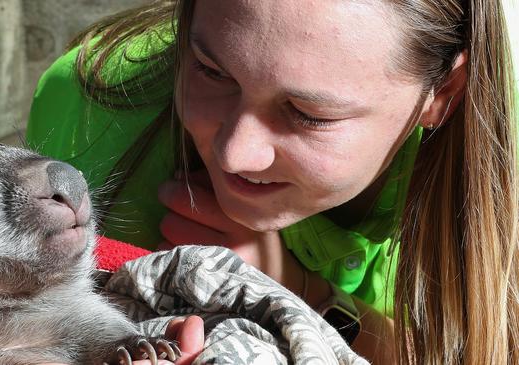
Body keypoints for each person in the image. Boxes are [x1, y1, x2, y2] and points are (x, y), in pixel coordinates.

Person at [26, 0, 518, 364]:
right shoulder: (93, 104)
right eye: (212, 70)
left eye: (309, 114)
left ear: (444, 93)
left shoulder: (504, 152)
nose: (234, 153)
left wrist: (293, 293)